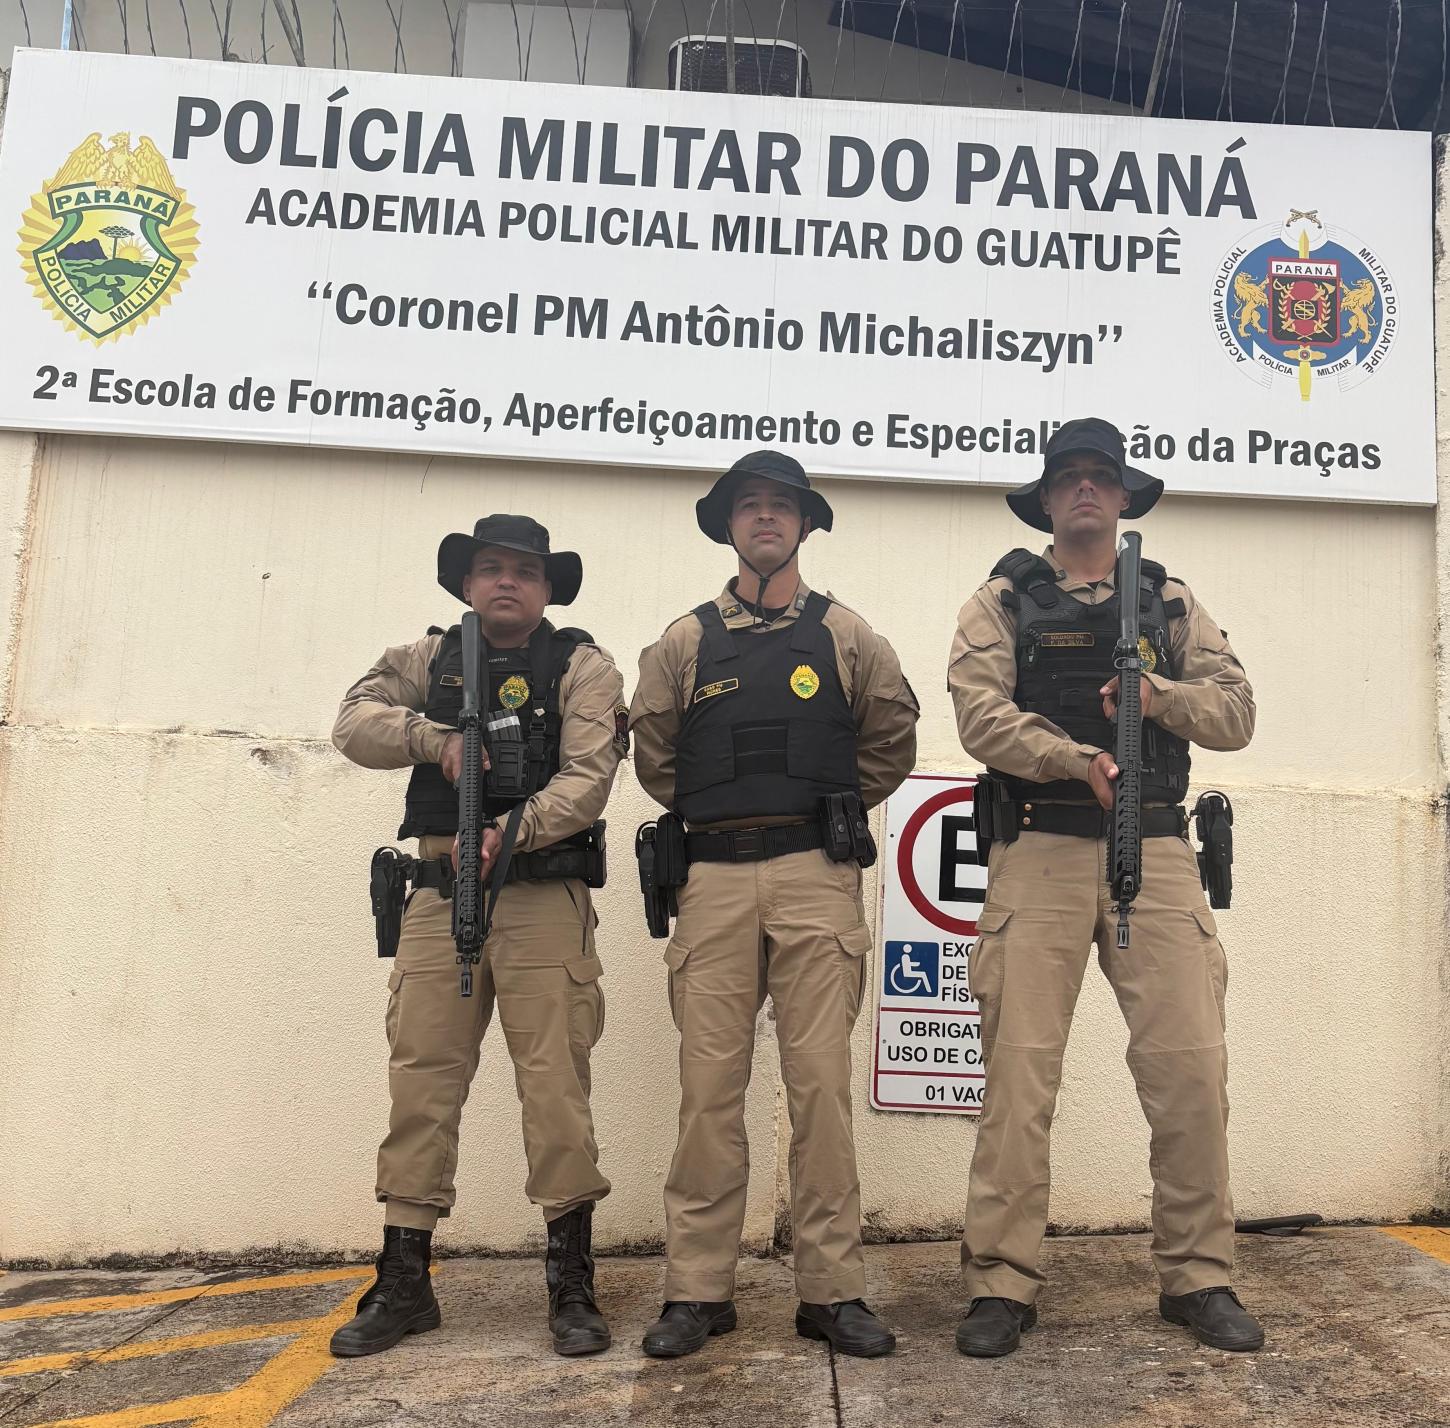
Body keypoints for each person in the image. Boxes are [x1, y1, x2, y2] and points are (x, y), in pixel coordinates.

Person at [948, 417, 1263, 1358]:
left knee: (1189, 1072)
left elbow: (1236, 713)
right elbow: (979, 716)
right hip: (1041, 845)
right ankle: (1000, 1283)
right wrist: (1073, 757)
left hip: (1156, 849)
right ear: (1047, 498)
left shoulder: (1169, 601)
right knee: (1018, 1079)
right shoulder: (1003, 598)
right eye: (1069, 476)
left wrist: (1159, 697)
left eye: (1101, 476)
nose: (1085, 488)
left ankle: (1198, 1276)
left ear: (1124, 496)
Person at [630, 450, 919, 1360]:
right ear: (727, 524)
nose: (765, 517)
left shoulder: (848, 636)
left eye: (781, 505)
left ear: (804, 524)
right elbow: (657, 760)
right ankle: (697, 1291)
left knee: (820, 1090)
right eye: (748, 504)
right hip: (712, 880)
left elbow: (891, 740)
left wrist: (825, 801)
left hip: (814, 873)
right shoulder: (681, 643)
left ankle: (832, 1291)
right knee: (708, 1092)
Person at [329, 515, 626, 1359]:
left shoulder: (582, 667)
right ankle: (404, 1279)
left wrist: (509, 830)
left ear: (547, 588)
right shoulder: (427, 660)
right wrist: (436, 740)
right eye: (491, 568)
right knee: (422, 1080)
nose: (506, 582)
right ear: (467, 583)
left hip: (541, 894)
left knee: (555, 1086)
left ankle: (571, 1279)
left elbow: (589, 776)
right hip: (437, 892)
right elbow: (352, 723)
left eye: (525, 572)